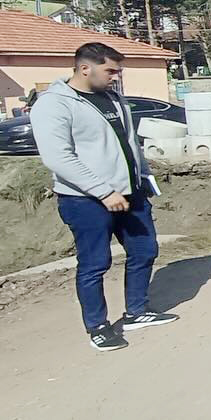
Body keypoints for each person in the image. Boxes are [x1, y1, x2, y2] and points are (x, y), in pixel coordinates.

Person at [30, 42, 177, 350]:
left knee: (145, 251)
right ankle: (97, 326)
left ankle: (136, 311)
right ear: (85, 68)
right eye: (110, 71)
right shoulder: (54, 104)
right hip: (85, 200)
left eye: (117, 71)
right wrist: (103, 191)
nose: (115, 77)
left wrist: (143, 176)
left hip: (130, 194)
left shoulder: (113, 99)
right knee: (95, 263)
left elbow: (129, 144)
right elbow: (58, 157)